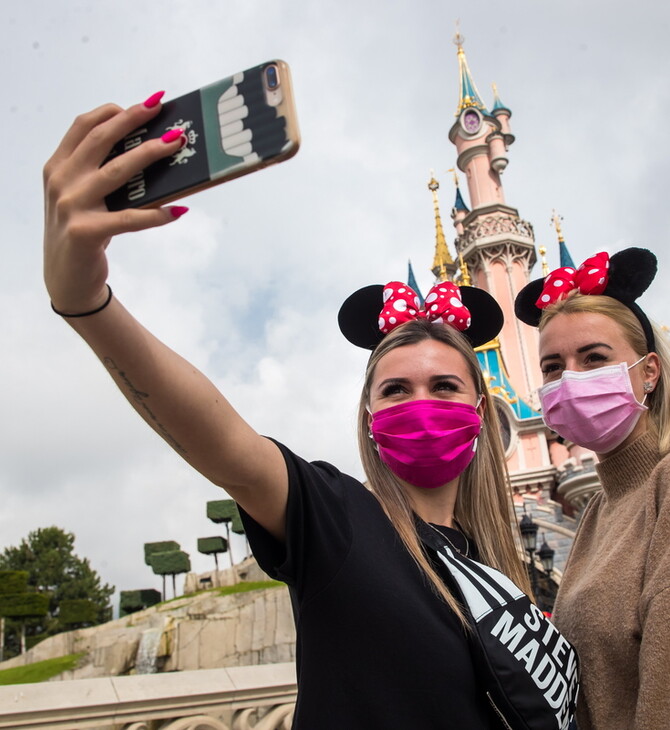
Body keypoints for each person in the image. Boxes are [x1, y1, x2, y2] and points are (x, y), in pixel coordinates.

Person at [44, 96, 567, 729]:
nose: (421, 402)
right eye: (395, 390)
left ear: (483, 410)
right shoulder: (340, 523)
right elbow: (225, 442)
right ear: (368, 415)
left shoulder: (494, 565)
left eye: (445, 387)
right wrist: (87, 304)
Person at [515, 248, 670, 730]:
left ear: (649, 372)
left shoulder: (664, 485)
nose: (571, 378)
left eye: (594, 358)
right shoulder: (599, 511)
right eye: (553, 366)